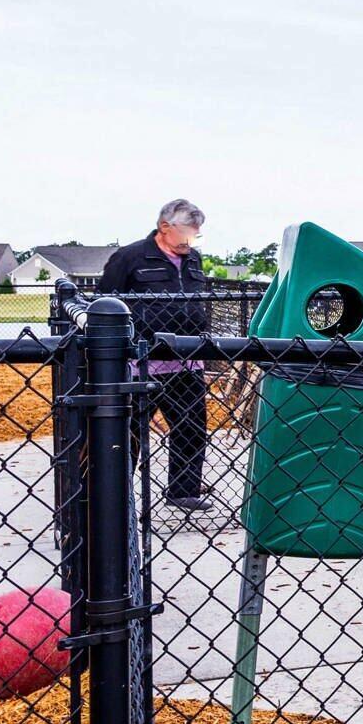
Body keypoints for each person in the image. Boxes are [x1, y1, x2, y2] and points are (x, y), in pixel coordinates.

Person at [101, 199, 214, 510]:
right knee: (128, 431)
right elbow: (105, 303)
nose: (192, 240)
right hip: (141, 362)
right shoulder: (130, 258)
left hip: (186, 361)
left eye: (197, 234)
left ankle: (183, 490)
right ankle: (116, 492)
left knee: (191, 428)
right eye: (189, 232)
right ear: (165, 227)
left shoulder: (194, 260)